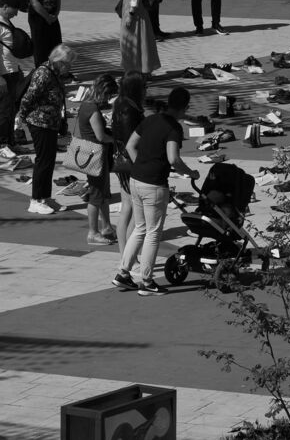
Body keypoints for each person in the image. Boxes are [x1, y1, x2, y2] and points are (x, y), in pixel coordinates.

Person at [112, 87, 199, 296]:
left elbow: (130, 145)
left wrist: (141, 166)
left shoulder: (151, 119)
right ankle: (147, 282)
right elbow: (173, 159)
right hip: (154, 185)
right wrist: (191, 173)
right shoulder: (174, 128)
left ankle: (123, 273)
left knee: (140, 228)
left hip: (135, 179)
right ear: (185, 107)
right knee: (153, 233)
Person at [17, 43, 76, 215]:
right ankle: (36, 200)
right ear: (59, 61)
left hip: (50, 122)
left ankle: (45, 197)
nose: (69, 67)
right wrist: (22, 117)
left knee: (49, 160)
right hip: (39, 122)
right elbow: (28, 98)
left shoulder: (54, 72)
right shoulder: (43, 73)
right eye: (68, 63)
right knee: (43, 161)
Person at [77, 74, 119, 245]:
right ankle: (93, 232)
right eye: (108, 95)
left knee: (103, 194)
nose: (108, 99)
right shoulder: (93, 110)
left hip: (89, 153)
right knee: (96, 196)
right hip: (96, 154)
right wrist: (116, 140)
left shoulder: (85, 105)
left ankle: (107, 227)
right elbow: (101, 136)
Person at [111, 71, 146, 258]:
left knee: (127, 207)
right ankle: (129, 255)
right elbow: (130, 141)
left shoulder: (121, 103)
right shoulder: (129, 109)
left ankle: (125, 254)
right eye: (144, 86)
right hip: (130, 163)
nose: (146, 90)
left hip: (122, 161)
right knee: (134, 210)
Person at [0, 0, 23, 147]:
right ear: (5, 7)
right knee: (4, 112)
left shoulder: (6, 21)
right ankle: (3, 145)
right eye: (14, 10)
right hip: (5, 74)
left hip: (12, 71)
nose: (16, 14)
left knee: (11, 110)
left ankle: (10, 143)